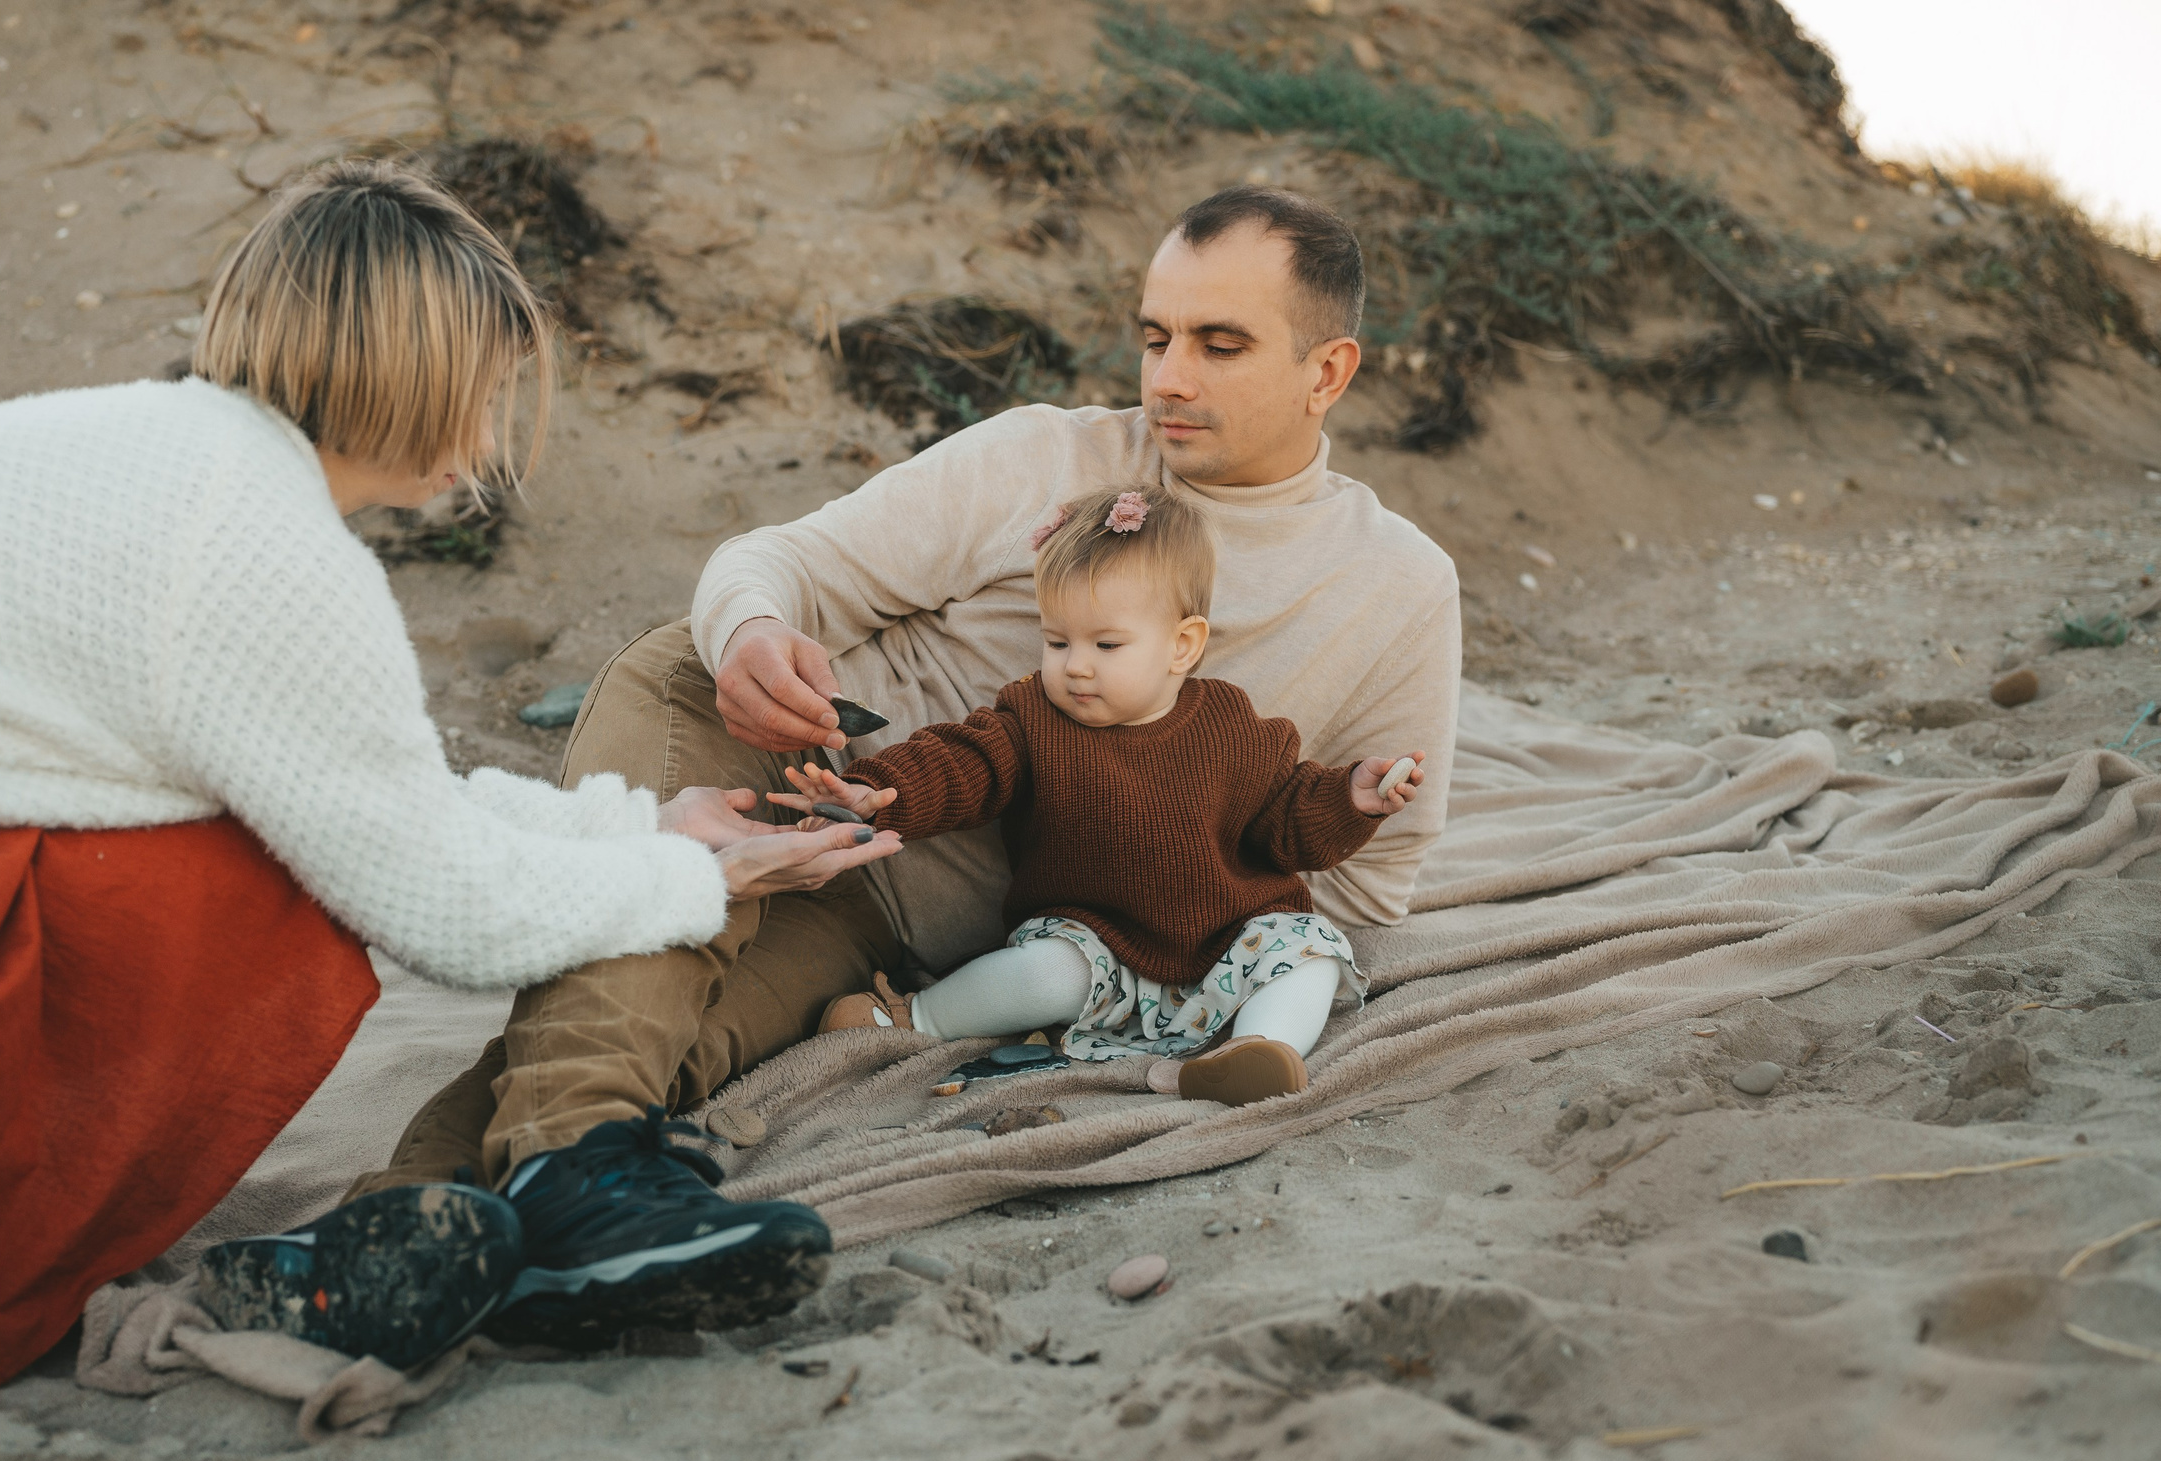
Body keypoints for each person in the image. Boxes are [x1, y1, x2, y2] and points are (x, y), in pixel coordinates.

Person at [0, 158, 892, 1424]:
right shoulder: (258, 539)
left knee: (284, 835)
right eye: (489, 391)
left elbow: (378, 790)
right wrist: (691, 877)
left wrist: (637, 827)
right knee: (274, 884)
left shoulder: (183, 460)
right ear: (411, 375)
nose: (495, 439)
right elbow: (432, 895)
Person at [354, 185, 1461, 1309]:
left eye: (1219, 344)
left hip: (884, 906)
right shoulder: (1043, 456)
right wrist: (750, 636)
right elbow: (779, 561)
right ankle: (583, 1195)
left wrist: (1142, 942)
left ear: (1327, 371)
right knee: (653, 917)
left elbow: (1367, 883)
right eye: (1155, 336)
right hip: (752, 738)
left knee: (663, 1034)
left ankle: (402, 1233)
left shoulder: (1397, 586)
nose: (1168, 376)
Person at [781, 483, 1424, 1107]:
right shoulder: (1033, 719)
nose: (1076, 665)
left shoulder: (1231, 724)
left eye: (1106, 645)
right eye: (1057, 641)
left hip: (1232, 944)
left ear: (1182, 645)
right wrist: (871, 791)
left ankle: (1256, 1051)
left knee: (1309, 952)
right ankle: (914, 1018)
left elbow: (1288, 818)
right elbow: (959, 764)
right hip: (1097, 951)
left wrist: (1350, 800)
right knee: (1040, 975)